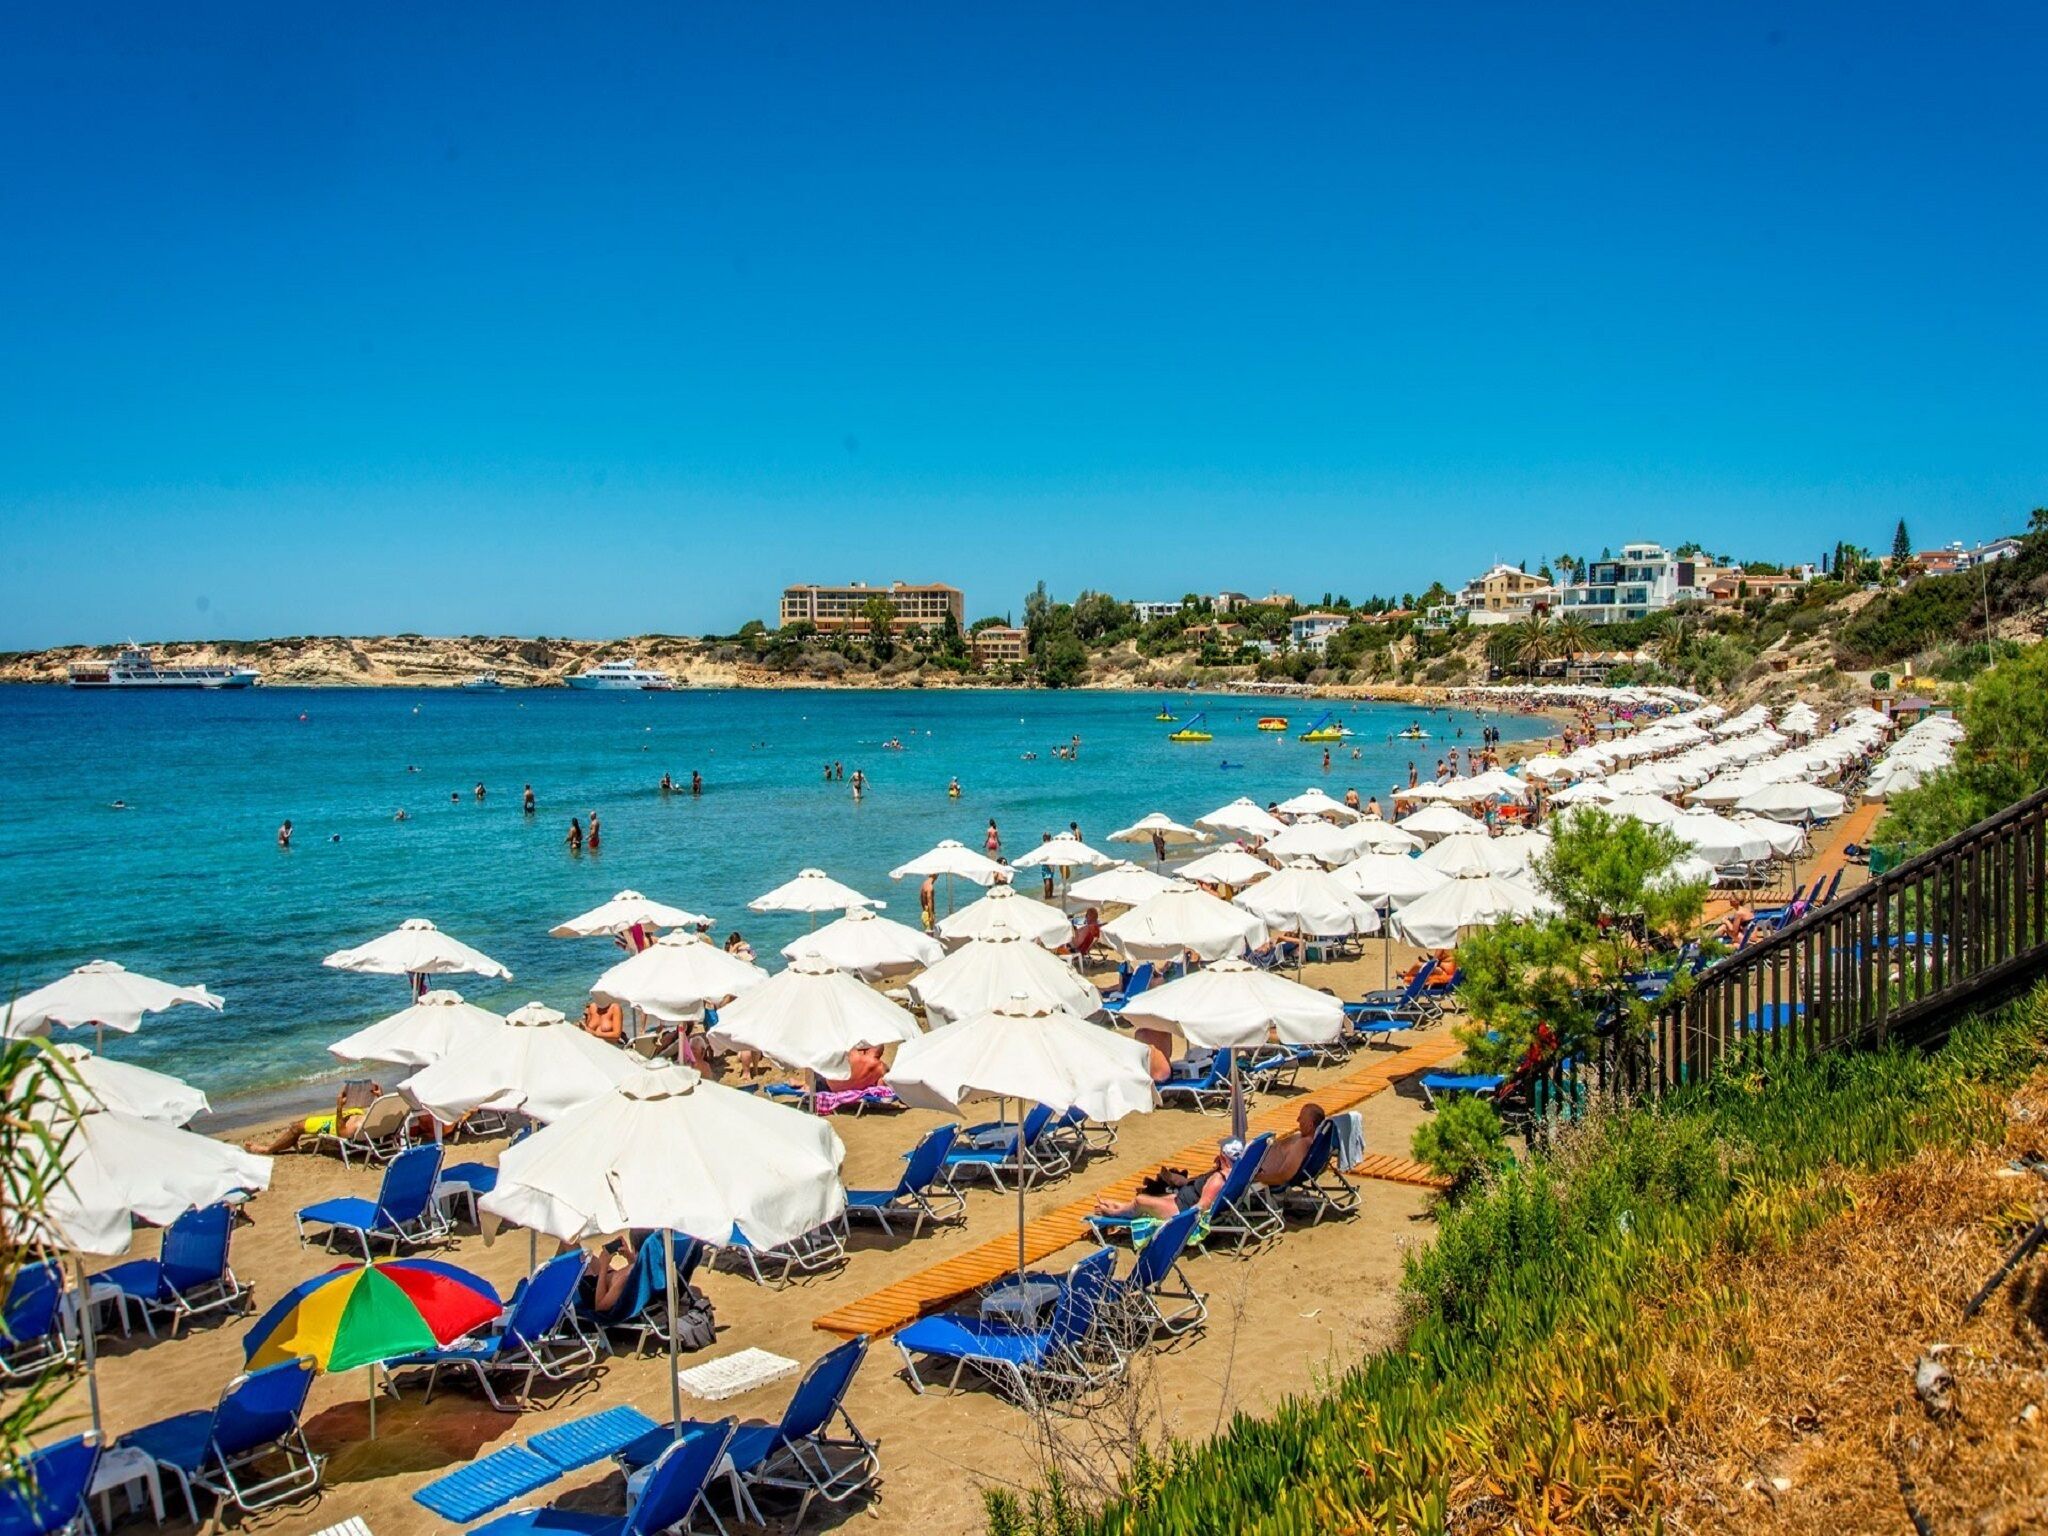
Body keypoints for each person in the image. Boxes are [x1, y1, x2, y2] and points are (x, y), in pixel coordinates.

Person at [1094, 1140, 1237, 1224]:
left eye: (1219, 1154)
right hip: (1181, 1200)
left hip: (1180, 1210)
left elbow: (1202, 1206)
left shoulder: (1218, 1179)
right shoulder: (1234, 1173)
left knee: (1141, 1200)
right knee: (1150, 1199)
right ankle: (1119, 1207)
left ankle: (1113, 1213)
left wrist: (1180, 1225)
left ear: (1223, 1158)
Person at [1254, 1104, 1328, 1186]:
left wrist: (1256, 1177)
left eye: (1301, 1118)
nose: (1298, 1120)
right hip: (1256, 1162)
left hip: (1256, 1170)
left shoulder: (1302, 1144)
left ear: (1310, 1125)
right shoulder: (1306, 1138)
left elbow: (1283, 1176)